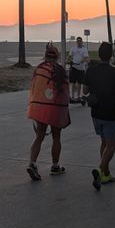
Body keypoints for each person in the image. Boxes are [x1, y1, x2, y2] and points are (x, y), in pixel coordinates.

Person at [83, 41, 115, 189]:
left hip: (95, 114)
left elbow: (85, 91)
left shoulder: (90, 70)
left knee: (104, 142)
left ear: (99, 54)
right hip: (110, 114)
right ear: (110, 56)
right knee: (112, 145)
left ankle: (106, 175)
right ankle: (99, 169)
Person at [26, 43, 70, 180]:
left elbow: (34, 89)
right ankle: (55, 166)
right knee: (56, 137)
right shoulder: (60, 70)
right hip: (56, 108)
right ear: (57, 57)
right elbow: (65, 93)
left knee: (39, 136)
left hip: (40, 107)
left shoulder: (39, 69)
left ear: (45, 56)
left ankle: (32, 163)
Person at [68, 36, 90, 103]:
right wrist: (68, 60)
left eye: (80, 41)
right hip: (74, 67)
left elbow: (86, 57)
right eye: (78, 41)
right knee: (73, 82)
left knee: (80, 83)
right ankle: (72, 96)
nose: (79, 42)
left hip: (81, 68)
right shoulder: (73, 48)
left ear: (82, 42)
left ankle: (78, 96)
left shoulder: (84, 49)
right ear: (76, 42)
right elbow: (70, 56)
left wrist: (80, 62)